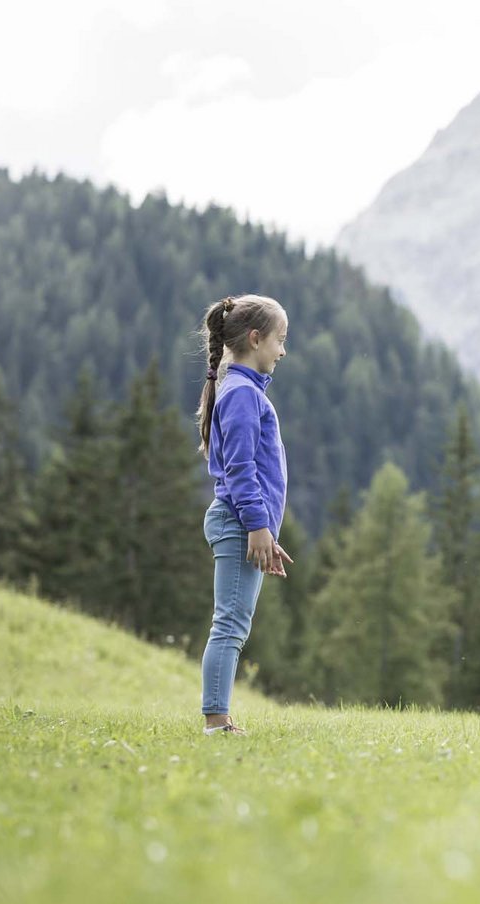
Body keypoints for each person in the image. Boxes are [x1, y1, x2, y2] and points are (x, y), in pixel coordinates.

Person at [194, 294, 293, 735]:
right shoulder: (240, 394)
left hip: (244, 523)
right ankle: (217, 721)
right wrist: (256, 526)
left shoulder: (239, 390)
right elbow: (240, 468)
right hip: (238, 522)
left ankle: (220, 717)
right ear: (255, 339)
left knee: (235, 623)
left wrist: (266, 532)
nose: (283, 351)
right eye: (280, 340)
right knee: (229, 624)